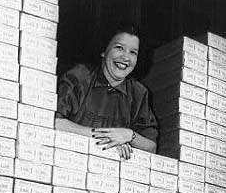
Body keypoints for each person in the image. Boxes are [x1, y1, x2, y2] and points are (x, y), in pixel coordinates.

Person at [55, 25, 158, 160]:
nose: (125, 57)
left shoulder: (138, 93)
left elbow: (151, 147)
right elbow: (55, 121)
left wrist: (128, 135)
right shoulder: (79, 77)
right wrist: (108, 138)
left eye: (133, 52)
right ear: (104, 50)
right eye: (119, 47)